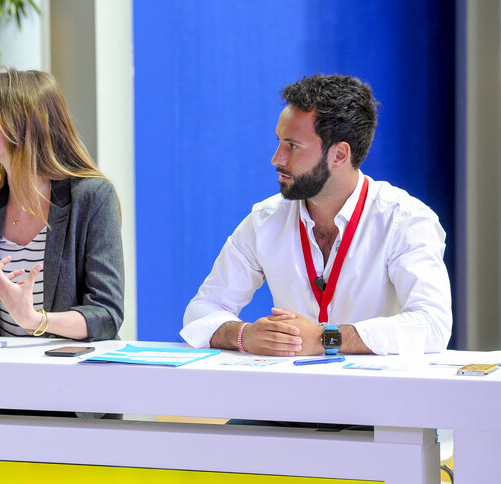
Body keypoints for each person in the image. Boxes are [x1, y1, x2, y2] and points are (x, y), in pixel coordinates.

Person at [181, 74, 452, 357]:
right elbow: (202, 310)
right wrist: (243, 335)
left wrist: (326, 339)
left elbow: (433, 324)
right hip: (290, 396)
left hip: (378, 396)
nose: (277, 158)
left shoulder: (405, 220)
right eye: (279, 143)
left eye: (293, 146)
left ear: (339, 155)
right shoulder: (265, 219)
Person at [0, 66, 124, 343]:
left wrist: (35, 320)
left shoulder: (93, 197)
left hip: (69, 378)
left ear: (23, 122)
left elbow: (106, 315)